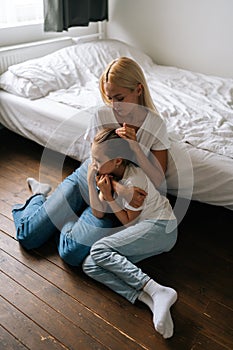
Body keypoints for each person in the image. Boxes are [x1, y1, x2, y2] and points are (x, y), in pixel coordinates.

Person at [12, 56, 171, 267]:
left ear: (138, 90)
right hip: (87, 180)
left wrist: (135, 147)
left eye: (120, 98)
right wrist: (122, 190)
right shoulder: (102, 115)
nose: (114, 105)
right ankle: (39, 196)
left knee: (73, 251)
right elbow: (96, 164)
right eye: (110, 97)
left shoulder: (155, 124)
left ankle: (68, 217)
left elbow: (158, 179)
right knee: (28, 237)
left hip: (110, 201)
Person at [82, 127, 178, 339]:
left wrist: (110, 196)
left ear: (117, 160)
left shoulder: (135, 181)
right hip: (145, 229)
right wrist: (92, 182)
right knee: (89, 264)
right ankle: (150, 299)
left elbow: (128, 222)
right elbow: (97, 213)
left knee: (99, 249)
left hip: (161, 227)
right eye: (92, 157)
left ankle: (155, 289)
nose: (93, 164)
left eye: (97, 159)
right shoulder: (107, 175)